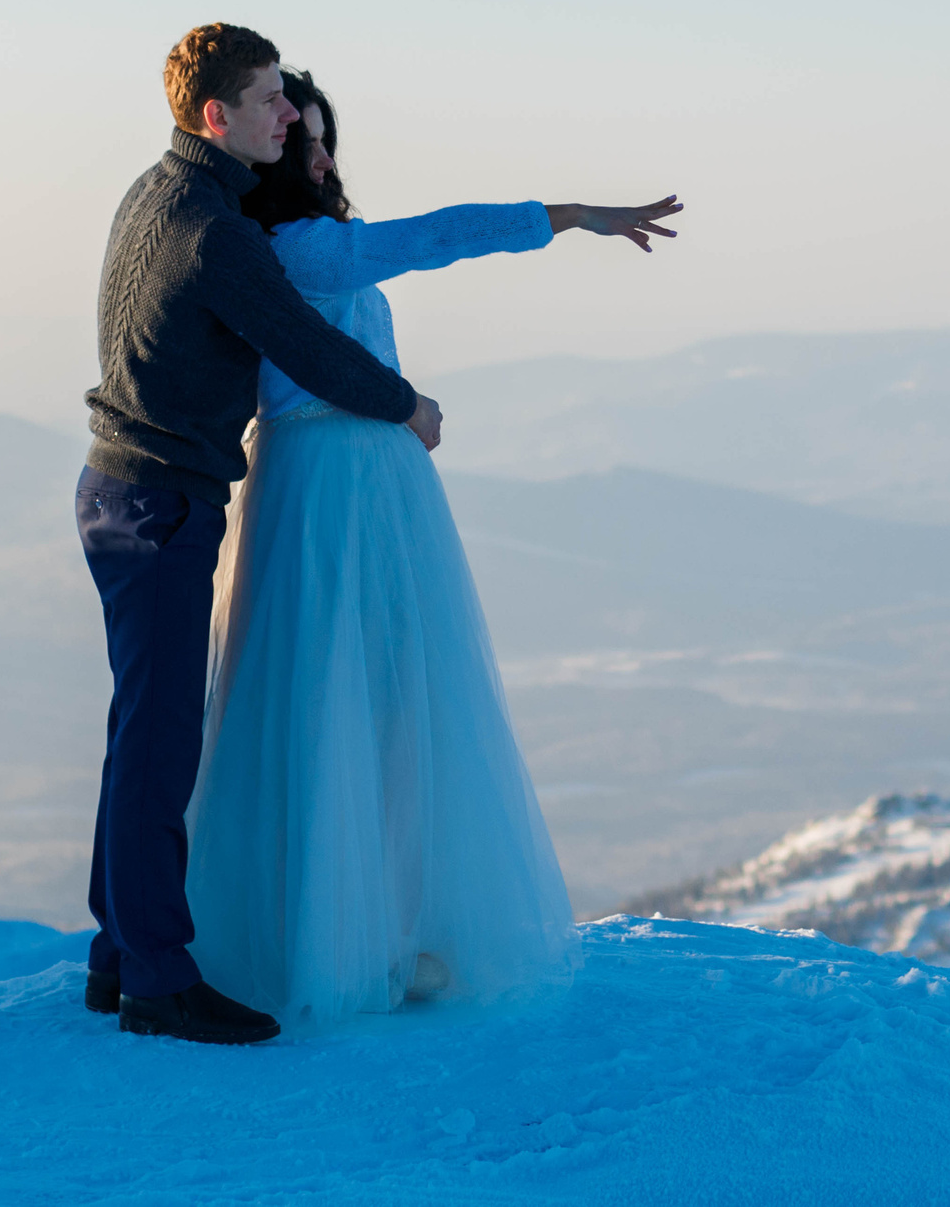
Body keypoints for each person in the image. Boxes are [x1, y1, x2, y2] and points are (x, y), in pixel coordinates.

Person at [182, 68, 679, 1026]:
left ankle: (342, 926)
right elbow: (438, 235)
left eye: (325, 136)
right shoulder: (310, 249)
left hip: (335, 477)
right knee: (366, 697)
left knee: (332, 697)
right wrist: (567, 215)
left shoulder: (291, 246)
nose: (319, 154)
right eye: (300, 139)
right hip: (343, 484)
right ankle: (354, 942)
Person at [77, 23, 450, 1046]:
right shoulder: (216, 230)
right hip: (160, 502)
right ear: (217, 115)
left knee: (140, 737)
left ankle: (118, 955)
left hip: (126, 490)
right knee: (158, 749)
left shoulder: (159, 191)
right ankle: (155, 978)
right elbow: (307, 348)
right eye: (271, 103)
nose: (288, 120)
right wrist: (405, 402)